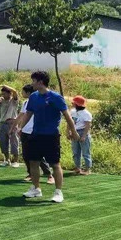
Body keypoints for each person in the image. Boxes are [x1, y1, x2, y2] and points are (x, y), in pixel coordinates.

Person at [13, 71, 80, 203]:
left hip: (51, 136)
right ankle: (36, 189)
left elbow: (67, 116)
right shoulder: (33, 97)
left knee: (55, 164)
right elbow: (28, 114)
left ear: (41, 82)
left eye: (34, 81)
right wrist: (20, 127)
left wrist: (73, 131)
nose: (32, 83)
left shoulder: (56, 97)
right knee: (33, 162)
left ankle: (58, 192)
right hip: (36, 135)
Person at [13, 84, 54, 184]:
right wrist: (19, 127)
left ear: (28, 93)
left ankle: (49, 174)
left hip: (36, 131)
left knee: (39, 155)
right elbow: (22, 116)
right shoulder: (25, 103)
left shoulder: (39, 101)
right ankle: (31, 174)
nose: (22, 93)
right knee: (26, 154)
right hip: (25, 132)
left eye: (23, 92)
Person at [0, 85, 20, 167]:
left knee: (14, 142)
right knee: (2, 141)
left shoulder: (14, 101)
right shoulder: (1, 101)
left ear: (10, 94)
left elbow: (15, 91)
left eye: (5, 94)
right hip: (2, 123)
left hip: (12, 123)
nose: (3, 95)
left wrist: (5, 86)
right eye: (2, 94)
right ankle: (7, 160)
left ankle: (16, 161)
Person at [70, 95, 93, 175]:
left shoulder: (86, 114)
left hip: (83, 132)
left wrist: (84, 136)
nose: (72, 104)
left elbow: (87, 125)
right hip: (75, 131)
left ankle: (87, 169)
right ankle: (77, 167)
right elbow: (70, 122)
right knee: (75, 152)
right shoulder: (72, 111)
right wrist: (70, 131)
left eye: (73, 103)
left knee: (85, 152)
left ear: (77, 104)